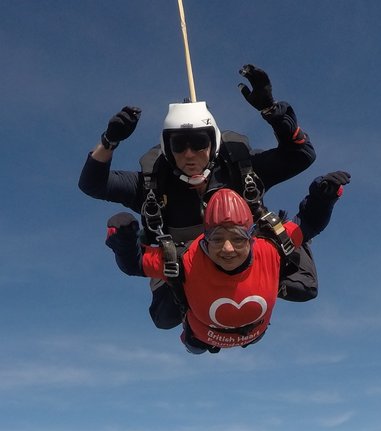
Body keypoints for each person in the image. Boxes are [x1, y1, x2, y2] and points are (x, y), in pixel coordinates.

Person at [79, 65, 316, 328]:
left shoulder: (239, 169)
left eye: (199, 142)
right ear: (167, 148)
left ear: (213, 143)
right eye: (179, 145)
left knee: (302, 287)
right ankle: (197, 326)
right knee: (165, 316)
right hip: (185, 265)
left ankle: (252, 293)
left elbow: (301, 156)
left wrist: (271, 111)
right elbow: (93, 184)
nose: (189, 154)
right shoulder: (153, 184)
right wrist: (109, 141)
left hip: (244, 253)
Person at [105, 176, 348, 354]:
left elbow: (308, 224)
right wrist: (124, 242)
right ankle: (193, 340)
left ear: (251, 239)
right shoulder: (185, 260)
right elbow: (134, 264)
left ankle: (200, 340)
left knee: (305, 289)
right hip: (204, 335)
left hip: (250, 333)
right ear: (205, 240)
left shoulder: (269, 249)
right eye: (217, 239)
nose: (228, 249)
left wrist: (323, 199)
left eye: (238, 239)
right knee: (189, 340)